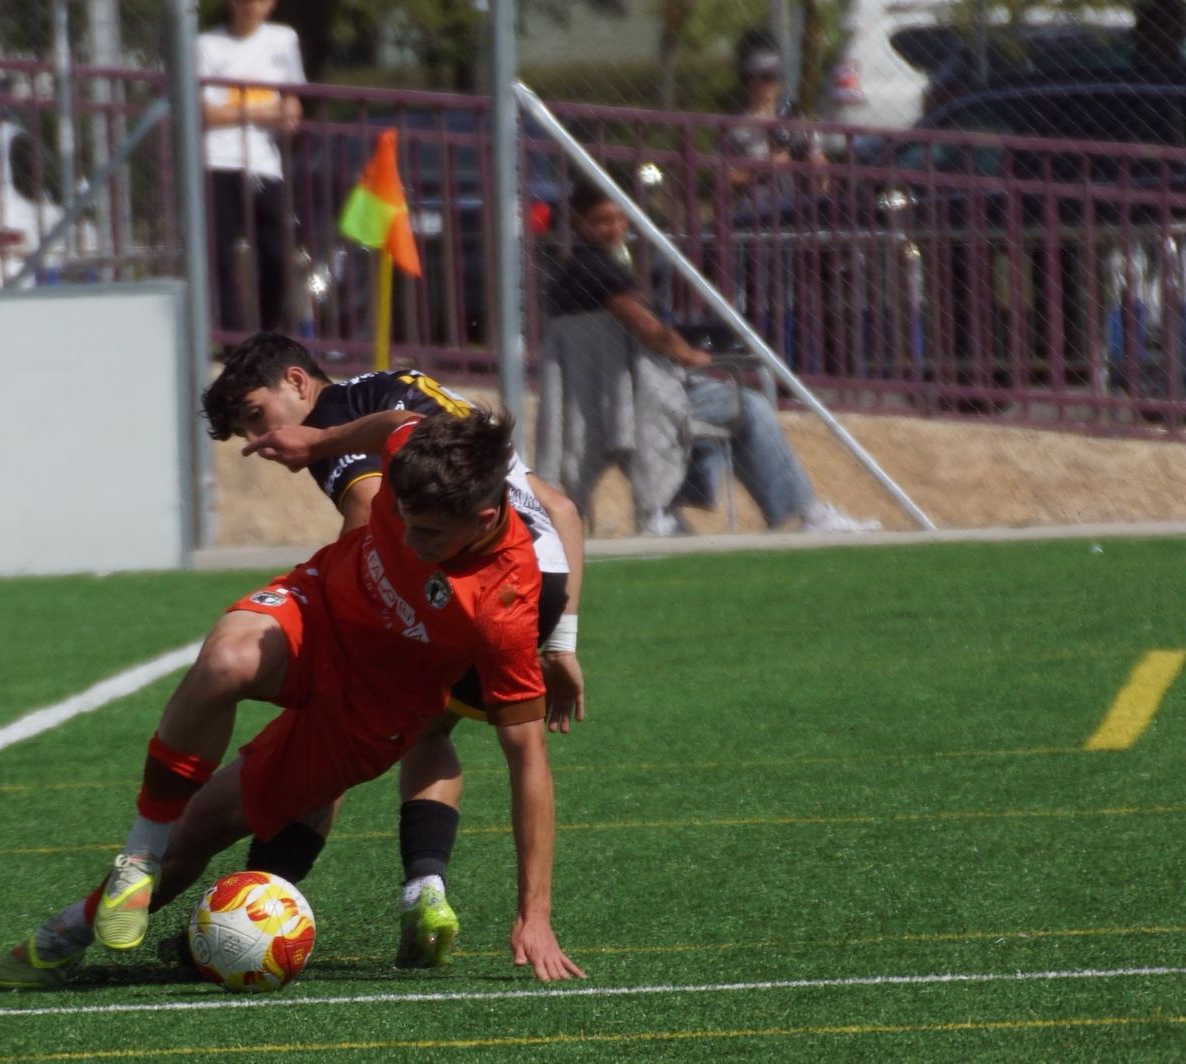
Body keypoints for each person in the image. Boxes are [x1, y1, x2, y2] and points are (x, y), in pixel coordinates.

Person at [0, 410, 586, 987]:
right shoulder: (415, 448)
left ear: (484, 519)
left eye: (427, 532)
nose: (406, 537)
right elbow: (391, 421)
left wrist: (535, 914)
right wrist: (321, 440)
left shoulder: (502, 604)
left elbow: (527, 759)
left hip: (369, 712)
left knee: (201, 834)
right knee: (226, 662)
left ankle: (71, 930)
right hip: (318, 609)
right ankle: (138, 852)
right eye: (402, 517)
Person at [198, 332, 587, 967]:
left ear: (297, 381)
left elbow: (369, 512)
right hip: (535, 591)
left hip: (473, 593)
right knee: (430, 731)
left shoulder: (338, 421)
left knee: (334, 725)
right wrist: (562, 638)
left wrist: (349, 610)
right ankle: (425, 888)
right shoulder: (418, 402)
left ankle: (262, 898)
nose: (260, 442)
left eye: (256, 416)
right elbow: (563, 509)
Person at [539, 181, 880, 534]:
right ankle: (810, 515)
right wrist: (691, 355)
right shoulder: (598, 270)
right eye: (602, 221)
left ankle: (667, 511)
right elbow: (648, 327)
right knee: (749, 407)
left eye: (620, 219)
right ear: (578, 222)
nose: (615, 228)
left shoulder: (572, 272)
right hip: (639, 399)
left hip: (605, 400)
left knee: (713, 420)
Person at [199, 0, 305, 332]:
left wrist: (283, 110)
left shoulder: (283, 40)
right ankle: (233, 341)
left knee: (276, 251)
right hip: (217, 160)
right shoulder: (206, 45)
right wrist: (266, 111)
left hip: (264, 163)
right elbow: (208, 114)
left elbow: (292, 102)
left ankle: (269, 333)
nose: (250, 6)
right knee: (221, 255)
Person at [721, 29, 828, 204]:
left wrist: (814, 163)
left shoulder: (792, 118)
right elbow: (727, 176)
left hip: (795, 208)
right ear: (748, 79)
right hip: (753, 213)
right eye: (764, 77)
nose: (770, 84)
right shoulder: (736, 127)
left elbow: (820, 162)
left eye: (774, 77)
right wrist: (766, 166)